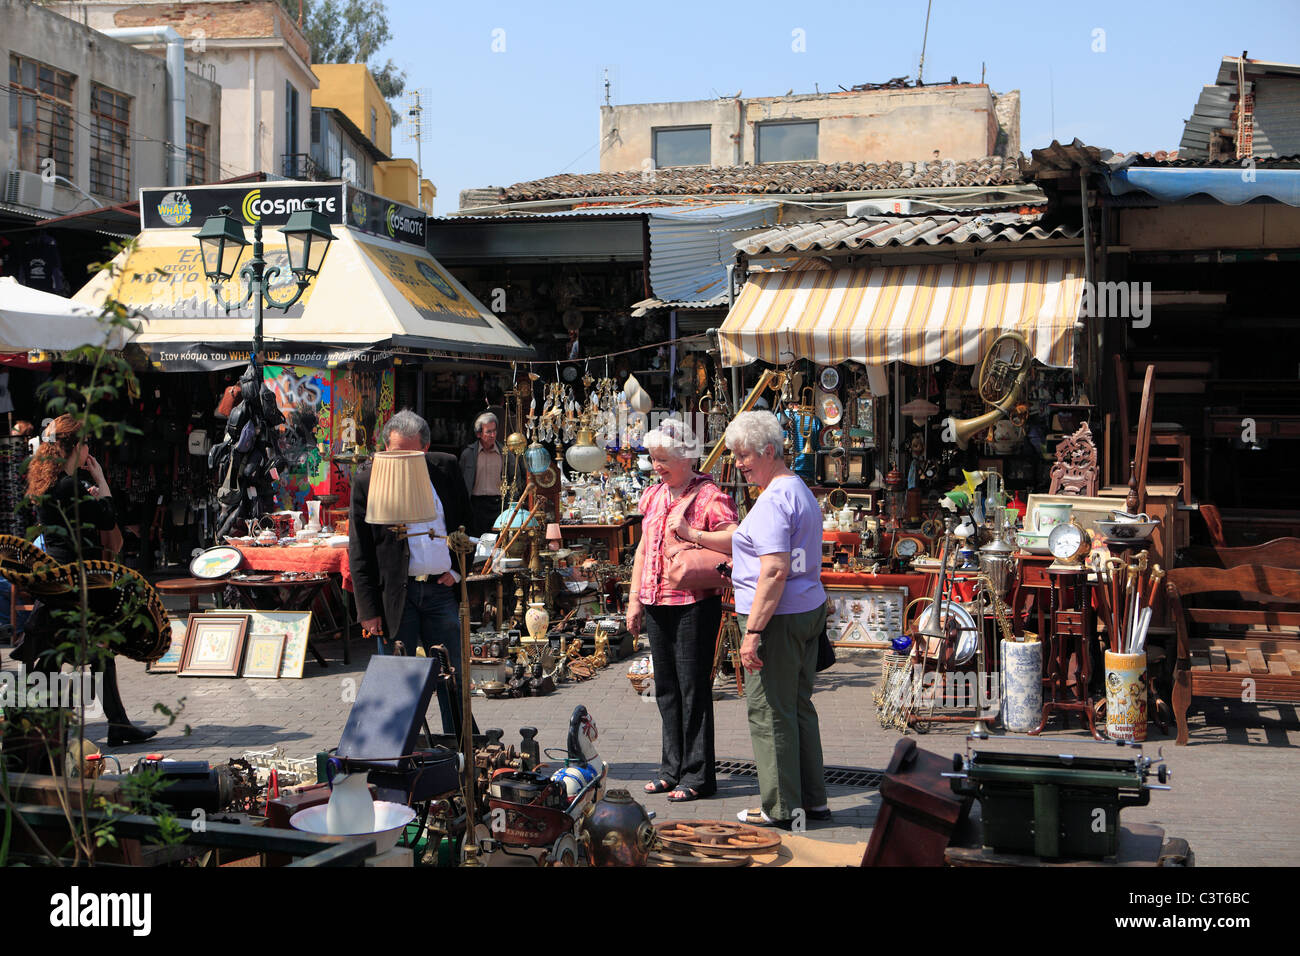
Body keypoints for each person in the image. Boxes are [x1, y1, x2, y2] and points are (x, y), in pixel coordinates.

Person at [676, 410, 829, 829]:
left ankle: (781, 808)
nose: (739, 464)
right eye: (735, 455)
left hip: (777, 618)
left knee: (769, 713)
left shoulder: (774, 499)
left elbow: (775, 570)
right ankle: (810, 801)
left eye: (743, 455)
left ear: (767, 451)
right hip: (804, 610)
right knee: (797, 708)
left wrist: (754, 632)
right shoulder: (797, 490)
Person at [19, 413, 154, 746]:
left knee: (67, 651)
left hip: (58, 579)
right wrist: (101, 479)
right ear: (74, 447)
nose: (89, 448)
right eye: (86, 443)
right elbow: (109, 517)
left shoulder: (50, 484)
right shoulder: (69, 485)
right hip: (74, 582)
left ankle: (107, 726)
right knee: (74, 650)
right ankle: (55, 728)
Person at [627, 418, 738, 803]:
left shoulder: (708, 495)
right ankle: (670, 769)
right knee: (666, 690)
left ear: (686, 457)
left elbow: (734, 538)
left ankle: (699, 775)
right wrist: (633, 599)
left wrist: (692, 534)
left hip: (694, 602)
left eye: (663, 459)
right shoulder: (654, 495)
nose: (657, 466)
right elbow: (643, 549)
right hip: (657, 601)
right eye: (653, 459)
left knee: (693, 689)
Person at [350, 409, 477, 738]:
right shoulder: (368, 478)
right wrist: (368, 610)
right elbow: (360, 548)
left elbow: (468, 526)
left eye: (410, 452)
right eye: (395, 452)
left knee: (454, 675)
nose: (401, 459)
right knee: (398, 680)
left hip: (439, 591)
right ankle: (394, 749)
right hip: (396, 595)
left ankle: (464, 747)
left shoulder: (444, 469)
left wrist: (458, 571)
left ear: (425, 448)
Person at [459, 411, 513, 537]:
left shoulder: (505, 453)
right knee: (477, 544)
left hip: (498, 505)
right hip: (476, 506)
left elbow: (513, 478)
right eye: (488, 432)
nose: (492, 435)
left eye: (494, 431)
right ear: (479, 434)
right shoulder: (468, 454)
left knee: (498, 545)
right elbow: (460, 482)